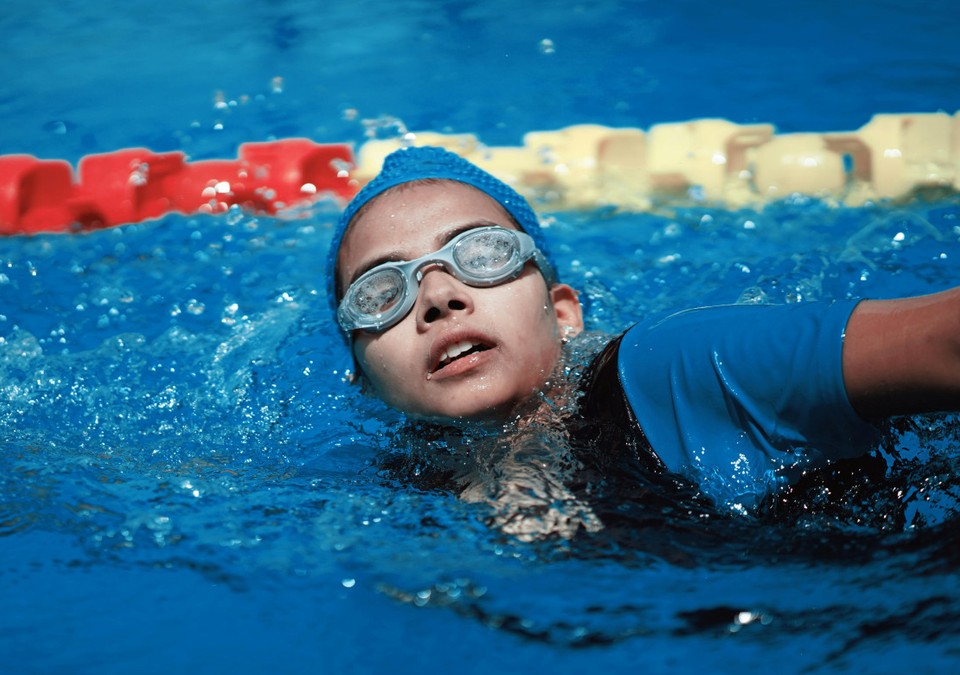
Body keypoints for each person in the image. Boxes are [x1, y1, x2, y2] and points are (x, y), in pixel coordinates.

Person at [327, 145, 960, 529]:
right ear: (365, 379)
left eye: (482, 253)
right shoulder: (383, 496)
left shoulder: (672, 368)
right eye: (381, 292)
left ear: (564, 312)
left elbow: (942, 343)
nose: (438, 296)